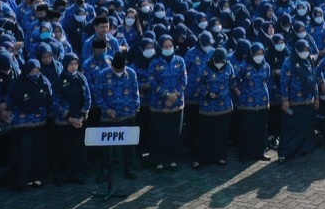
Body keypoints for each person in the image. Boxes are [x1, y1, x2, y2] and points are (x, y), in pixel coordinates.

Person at [5, 59, 51, 189]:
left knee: (38, 152)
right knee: (23, 153)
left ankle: (38, 177)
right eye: (32, 72)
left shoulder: (44, 82)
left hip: (39, 123)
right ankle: (22, 179)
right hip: (22, 126)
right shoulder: (17, 84)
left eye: (37, 71)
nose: (35, 74)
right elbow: (10, 102)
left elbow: (49, 99)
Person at [95, 52, 140, 179]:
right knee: (106, 146)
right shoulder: (103, 75)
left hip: (127, 115)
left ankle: (128, 168)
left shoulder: (131, 73)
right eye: (116, 69)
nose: (119, 72)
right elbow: (98, 95)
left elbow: (135, 95)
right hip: (108, 117)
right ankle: (105, 170)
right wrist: (107, 109)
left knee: (128, 145)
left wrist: (134, 110)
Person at [146, 36, 186, 170]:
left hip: (176, 104)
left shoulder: (180, 61)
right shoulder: (154, 63)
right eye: (165, 46)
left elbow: (183, 80)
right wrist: (167, 95)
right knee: (159, 133)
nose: (168, 48)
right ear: (160, 48)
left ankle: (172, 159)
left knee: (174, 133)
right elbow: (152, 81)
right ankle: (159, 160)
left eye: (170, 46)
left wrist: (174, 96)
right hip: (159, 104)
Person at [51, 53, 90, 185]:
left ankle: (78, 174)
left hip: (79, 121)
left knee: (79, 149)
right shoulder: (59, 81)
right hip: (64, 122)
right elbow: (55, 103)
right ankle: (63, 175)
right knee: (64, 150)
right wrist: (68, 117)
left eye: (76, 64)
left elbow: (87, 98)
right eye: (71, 64)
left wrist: (82, 116)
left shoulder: (81, 78)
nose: (74, 67)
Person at [277, 39, 318, 162]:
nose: (305, 52)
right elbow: (284, 82)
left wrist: (316, 97)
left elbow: (314, 80)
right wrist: (285, 99)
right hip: (293, 101)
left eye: (307, 50)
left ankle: (304, 149)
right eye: (303, 50)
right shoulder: (289, 62)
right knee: (290, 128)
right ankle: (285, 153)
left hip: (308, 101)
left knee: (305, 128)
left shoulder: (308, 61)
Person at [194, 47, 232, 168]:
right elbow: (198, 84)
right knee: (205, 132)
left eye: (222, 61)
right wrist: (207, 93)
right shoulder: (205, 68)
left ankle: (221, 156)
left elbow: (232, 82)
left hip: (224, 105)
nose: (220, 64)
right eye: (218, 61)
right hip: (207, 105)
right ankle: (200, 158)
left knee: (221, 132)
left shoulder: (229, 67)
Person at [233, 40, 271, 162]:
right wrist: (238, 91)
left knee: (261, 128)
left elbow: (267, 80)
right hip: (247, 103)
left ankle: (260, 151)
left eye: (261, 53)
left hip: (263, 102)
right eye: (257, 54)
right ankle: (245, 154)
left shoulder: (266, 66)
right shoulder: (244, 66)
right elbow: (234, 79)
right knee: (247, 128)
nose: (259, 56)